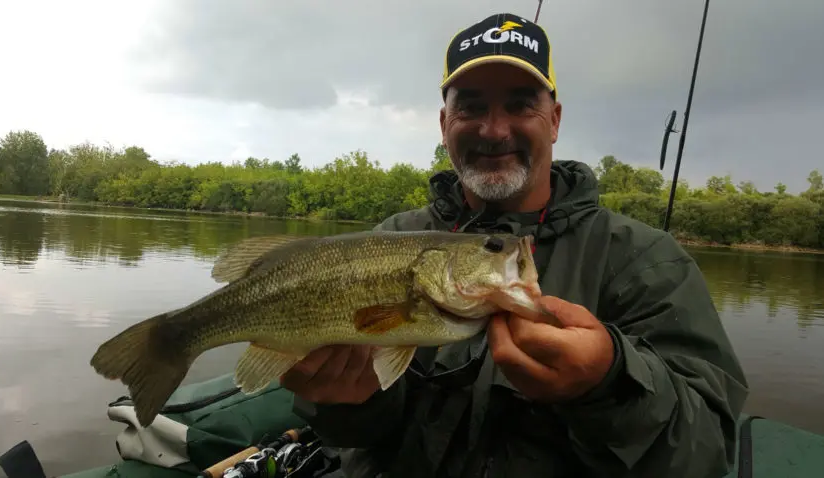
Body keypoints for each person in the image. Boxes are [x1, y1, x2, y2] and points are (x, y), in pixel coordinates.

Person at [280, 12, 749, 478]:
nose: (494, 129)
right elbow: (356, 436)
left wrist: (606, 384)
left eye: (521, 104)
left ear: (555, 120)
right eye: (472, 107)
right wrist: (345, 403)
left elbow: (705, 451)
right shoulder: (390, 240)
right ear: (445, 125)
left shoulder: (646, 260)